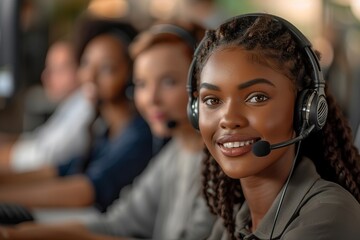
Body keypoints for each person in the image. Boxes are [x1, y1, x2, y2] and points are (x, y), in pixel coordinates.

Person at [0, 20, 215, 240]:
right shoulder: (174, 154)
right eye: (142, 84)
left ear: (200, 86)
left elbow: (89, 194)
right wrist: (15, 233)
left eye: (168, 82)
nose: (151, 99)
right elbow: (115, 223)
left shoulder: (215, 167)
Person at [186, 13, 360, 240]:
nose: (228, 119)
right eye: (212, 100)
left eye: (256, 97)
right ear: (195, 111)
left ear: (305, 110)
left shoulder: (329, 215)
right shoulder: (234, 220)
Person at [0, 17, 155, 213]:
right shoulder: (105, 130)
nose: (90, 76)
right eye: (86, 63)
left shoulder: (139, 135)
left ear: (132, 76)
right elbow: (60, 170)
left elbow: (86, 190)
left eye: (106, 68)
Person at [0, 40, 95, 172]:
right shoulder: (71, 104)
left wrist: (4, 154)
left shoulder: (85, 106)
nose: (45, 76)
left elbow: (43, 156)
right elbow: (41, 138)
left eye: (55, 70)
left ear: (78, 70)